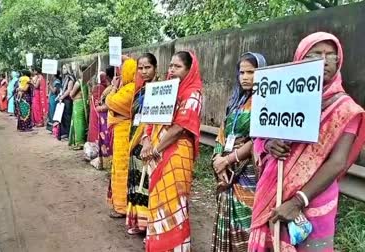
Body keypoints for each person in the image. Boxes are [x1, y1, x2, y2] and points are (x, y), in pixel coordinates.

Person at [249, 32, 365, 251]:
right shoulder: (279, 96)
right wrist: (268, 145)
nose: (324, 61)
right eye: (315, 55)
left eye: (331, 55)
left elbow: (337, 162)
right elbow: (259, 136)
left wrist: (297, 202)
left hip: (314, 200)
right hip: (273, 192)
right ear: (300, 60)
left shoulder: (345, 109)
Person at [142, 51, 203, 252]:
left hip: (177, 155)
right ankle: (157, 244)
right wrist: (146, 141)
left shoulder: (193, 94)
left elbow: (179, 129)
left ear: (189, 70)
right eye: (170, 66)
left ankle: (175, 247)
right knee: (157, 200)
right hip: (156, 152)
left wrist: (155, 149)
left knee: (174, 203)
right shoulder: (164, 90)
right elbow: (150, 119)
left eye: (177, 67)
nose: (171, 70)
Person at [210, 52, 267, 251]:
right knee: (226, 209)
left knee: (246, 222)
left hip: (248, 170)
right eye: (242, 72)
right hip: (226, 166)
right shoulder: (236, 101)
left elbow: (258, 140)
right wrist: (218, 157)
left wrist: (229, 160)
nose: (245, 77)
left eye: (251, 72)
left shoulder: (265, 102)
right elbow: (222, 131)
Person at [126, 53, 160, 236]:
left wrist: (148, 139)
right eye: (141, 68)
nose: (144, 71)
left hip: (150, 142)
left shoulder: (161, 89)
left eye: (148, 67)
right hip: (135, 141)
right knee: (135, 181)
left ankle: (150, 226)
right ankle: (138, 222)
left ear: (155, 68)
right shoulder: (140, 91)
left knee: (148, 183)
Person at [106, 58, 137, 218]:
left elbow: (110, 102)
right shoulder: (130, 87)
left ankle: (121, 206)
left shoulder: (130, 89)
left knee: (122, 168)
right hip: (123, 131)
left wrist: (113, 87)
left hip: (125, 133)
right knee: (120, 167)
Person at [90, 66, 115, 170]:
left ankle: (107, 160)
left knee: (107, 138)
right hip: (104, 117)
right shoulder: (108, 88)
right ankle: (106, 160)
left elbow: (110, 104)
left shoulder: (112, 88)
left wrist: (100, 107)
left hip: (106, 116)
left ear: (108, 77)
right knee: (105, 138)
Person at [69, 65, 89, 150]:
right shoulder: (88, 81)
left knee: (78, 123)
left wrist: (70, 92)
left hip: (78, 103)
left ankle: (79, 142)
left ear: (81, 71)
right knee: (83, 122)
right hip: (85, 105)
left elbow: (72, 94)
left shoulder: (79, 82)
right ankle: (83, 140)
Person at [56, 64, 75, 140]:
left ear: (68, 69)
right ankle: (64, 133)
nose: (63, 70)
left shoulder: (70, 78)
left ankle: (68, 133)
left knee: (67, 117)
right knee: (63, 116)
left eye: (64, 68)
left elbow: (69, 90)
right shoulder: (65, 78)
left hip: (68, 100)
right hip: (64, 99)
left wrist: (62, 97)